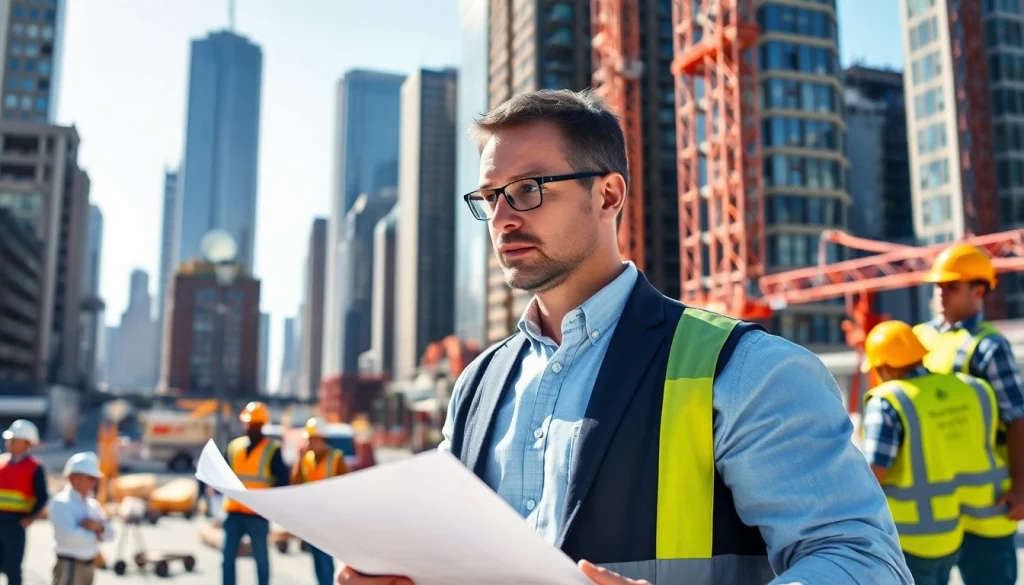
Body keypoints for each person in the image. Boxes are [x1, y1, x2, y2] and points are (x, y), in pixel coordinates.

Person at [335, 88, 911, 585]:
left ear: (609, 195)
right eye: (491, 197)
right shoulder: (477, 384)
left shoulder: (746, 370)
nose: (504, 217)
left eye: (529, 188)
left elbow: (865, 562)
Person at [860, 320, 1015, 585]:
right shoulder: (973, 389)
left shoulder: (888, 401)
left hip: (910, 538)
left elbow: (873, 476)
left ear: (882, 367)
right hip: (964, 526)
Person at [913, 243, 1024, 584]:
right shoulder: (918, 339)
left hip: (986, 501)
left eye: (952, 286)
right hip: (930, 506)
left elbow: (1016, 417)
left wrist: (1021, 487)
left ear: (979, 290)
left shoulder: (989, 346)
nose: (942, 293)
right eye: (939, 285)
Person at [222, 401, 288, 585]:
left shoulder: (272, 449)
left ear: (262, 425)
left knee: (261, 560)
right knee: (227, 558)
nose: (252, 427)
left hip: (258, 514)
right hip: (234, 511)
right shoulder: (234, 447)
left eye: (255, 424)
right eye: (250, 423)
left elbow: (282, 482)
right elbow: (222, 473)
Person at [291, 417, 350, 585]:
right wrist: (300, 458)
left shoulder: (336, 458)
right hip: (312, 518)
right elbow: (296, 482)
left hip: (330, 518)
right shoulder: (306, 458)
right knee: (316, 559)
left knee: (325, 560)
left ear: (321, 439)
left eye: (312, 439)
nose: (309, 443)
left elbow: (348, 487)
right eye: (308, 439)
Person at [48, 452, 114, 585]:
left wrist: (97, 527)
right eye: (90, 478)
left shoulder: (92, 504)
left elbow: (111, 534)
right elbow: (69, 537)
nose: (93, 482)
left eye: (94, 478)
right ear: (74, 478)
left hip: (89, 566)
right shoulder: (61, 503)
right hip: (69, 566)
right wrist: (97, 533)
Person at [0, 419, 48, 585]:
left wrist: (30, 518)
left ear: (27, 443)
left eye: (14, 439)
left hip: (15, 525)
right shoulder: (0, 462)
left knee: (13, 570)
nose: (10, 442)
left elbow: (42, 496)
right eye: (9, 439)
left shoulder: (34, 467)